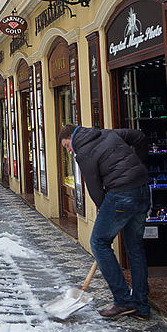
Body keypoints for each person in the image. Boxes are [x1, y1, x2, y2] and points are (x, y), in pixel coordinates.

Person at [60, 124, 151, 319]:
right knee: (135, 247)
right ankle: (141, 306)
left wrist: (107, 211)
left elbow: (94, 188)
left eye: (67, 145)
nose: (69, 150)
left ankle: (123, 301)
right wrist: (142, 167)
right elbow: (140, 136)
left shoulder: (82, 152)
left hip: (121, 194)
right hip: (142, 189)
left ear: (72, 137)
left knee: (98, 242)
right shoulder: (107, 133)